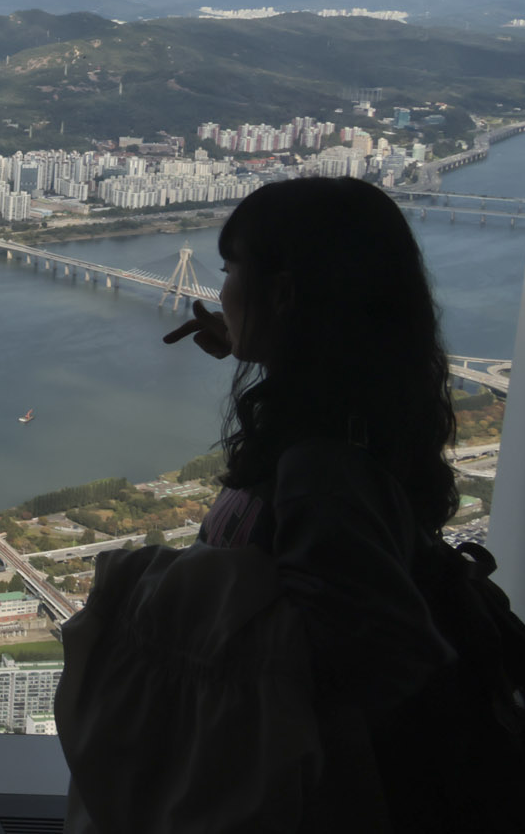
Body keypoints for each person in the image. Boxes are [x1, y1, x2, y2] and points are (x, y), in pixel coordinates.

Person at [58, 176, 459, 832]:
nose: (220, 292)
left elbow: (376, 651)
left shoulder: (322, 467)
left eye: (230, 270)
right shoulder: (357, 420)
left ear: (283, 293)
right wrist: (260, 343)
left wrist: (164, 595)